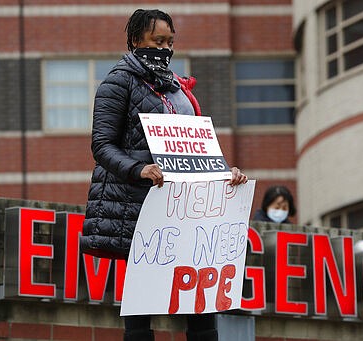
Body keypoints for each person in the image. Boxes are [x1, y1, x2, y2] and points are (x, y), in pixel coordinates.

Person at [79, 9, 247, 341]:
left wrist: (225, 173)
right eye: (158, 41)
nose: (166, 48)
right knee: (142, 303)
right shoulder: (118, 82)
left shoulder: (178, 88)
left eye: (170, 41)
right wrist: (138, 169)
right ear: (136, 40)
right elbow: (101, 144)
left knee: (199, 301)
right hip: (141, 207)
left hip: (187, 211)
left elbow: (194, 145)